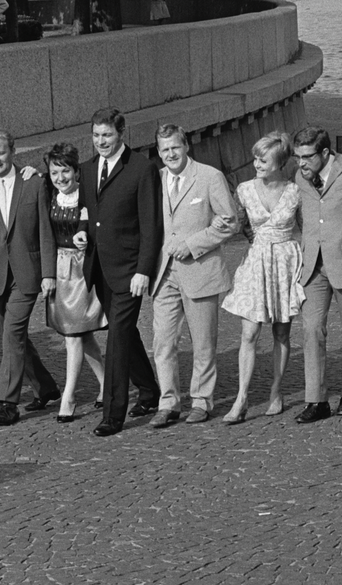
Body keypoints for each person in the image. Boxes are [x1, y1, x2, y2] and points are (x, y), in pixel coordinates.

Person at [78, 108, 163, 437]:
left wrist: (144, 270)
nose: (101, 142)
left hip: (130, 272)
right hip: (99, 268)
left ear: (122, 134)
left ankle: (114, 414)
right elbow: (87, 209)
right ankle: (149, 390)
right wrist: (82, 230)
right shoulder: (87, 169)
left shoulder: (142, 168)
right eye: (96, 136)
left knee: (115, 339)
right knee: (124, 332)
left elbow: (151, 224)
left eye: (107, 136)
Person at [0, 129, 61, 427]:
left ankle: (8, 402)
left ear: (13, 151)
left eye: (1, 153)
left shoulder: (33, 183)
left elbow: (46, 231)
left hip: (27, 272)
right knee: (13, 335)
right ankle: (45, 386)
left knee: (12, 333)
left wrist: (49, 273)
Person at [150, 124, 238, 427]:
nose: (171, 154)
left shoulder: (209, 176)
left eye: (175, 147)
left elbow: (229, 221)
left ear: (186, 145)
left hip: (199, 270)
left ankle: (201, 400)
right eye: (165, 150)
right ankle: (168, 402)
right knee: (162, 341)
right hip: (163, 273)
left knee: (203, 342)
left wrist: (191, 245)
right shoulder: (156, 179)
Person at [222, 132, 303, 422]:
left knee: (281, 332)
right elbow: (240, 223)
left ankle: (277, 390)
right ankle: (241, 398)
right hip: (256, 263)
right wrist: (258, 244)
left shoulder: (294, 191)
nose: (257, 163)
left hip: (285, 263)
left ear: (279, 162)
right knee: (249, 332)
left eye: (263, 159)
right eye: (256, 158)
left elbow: (305, 228)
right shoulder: (244, 190)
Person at [292, 125, 342, 423]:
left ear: (325, 153)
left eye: (307, 157)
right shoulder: (300, 176)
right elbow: (302, 215)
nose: (301, 163)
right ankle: (316, 399)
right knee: (311, 330)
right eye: (297, 157)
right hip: (312, 266)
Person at [42, 142, 106, 421]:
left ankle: (68, 397)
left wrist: (86, 235)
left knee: (73, 335)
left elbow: (91, 223)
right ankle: (108, 384)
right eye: (55, 172)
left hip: (81, 270)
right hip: (58, 268)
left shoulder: (86, 197)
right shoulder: (48, 193)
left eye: (65, 171)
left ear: (76, 171)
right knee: (82, 334)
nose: (60, 178)